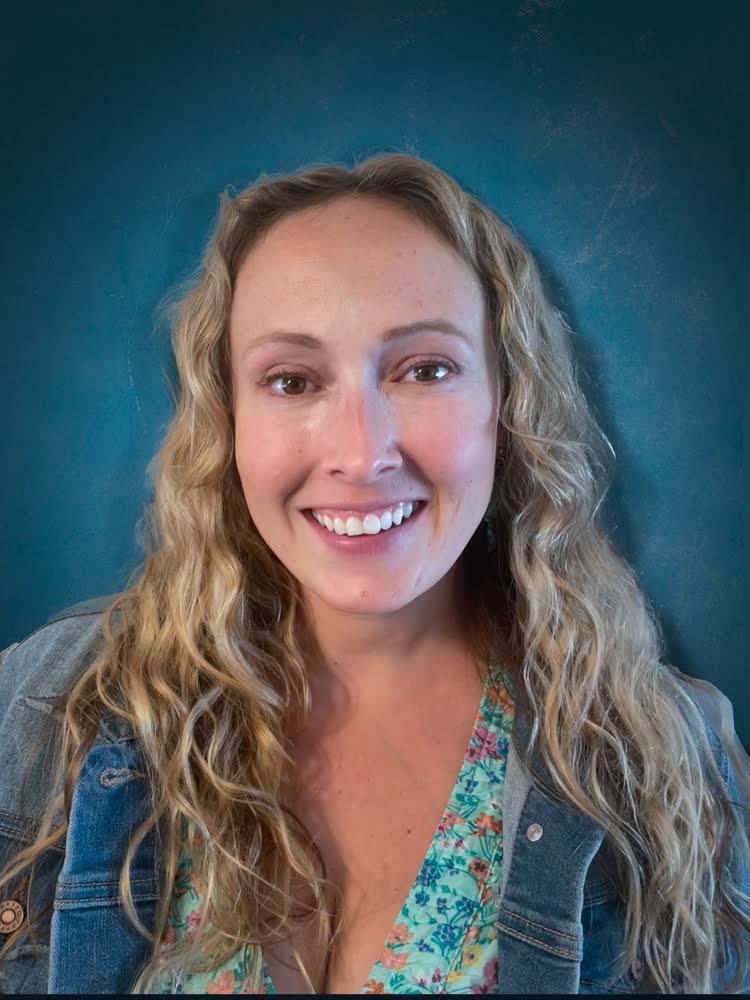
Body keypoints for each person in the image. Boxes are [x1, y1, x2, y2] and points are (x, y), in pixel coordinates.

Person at [0, 153, 748, 996]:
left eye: (425, 369)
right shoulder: (38, 709)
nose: (360, 454)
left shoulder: (661, 762)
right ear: (227, 419)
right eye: (291, 380)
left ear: (508, 403)